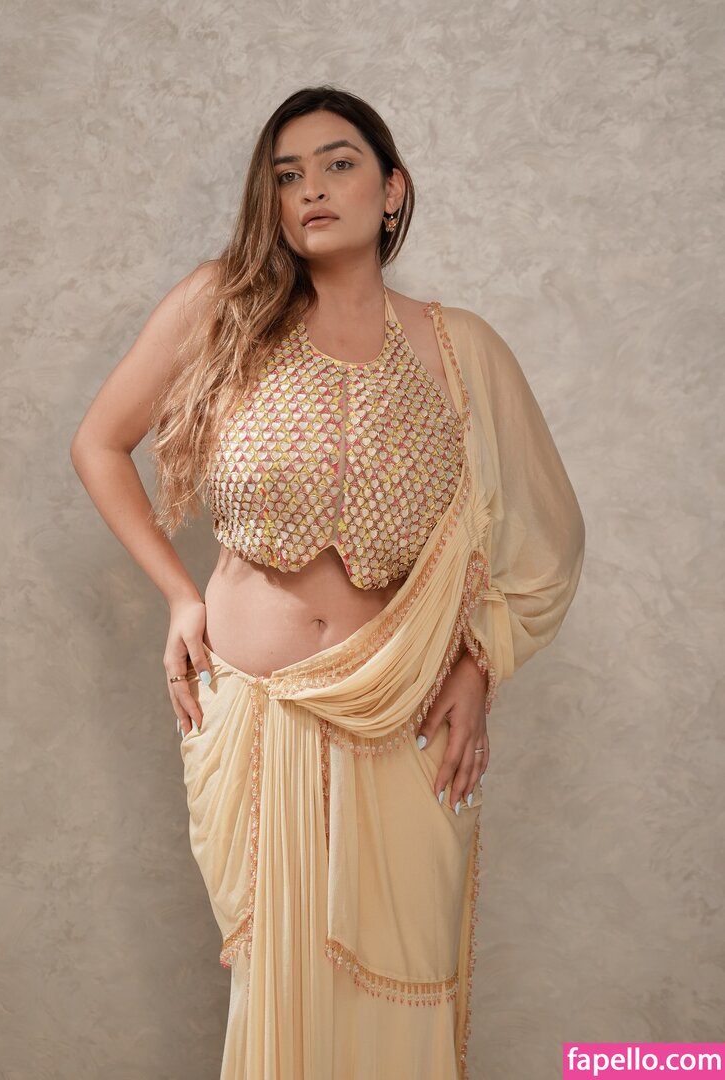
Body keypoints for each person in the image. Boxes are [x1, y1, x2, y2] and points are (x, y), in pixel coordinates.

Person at [70, 84, 585, 1080]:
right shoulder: (221, 309)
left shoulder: (459, 350)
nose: (310, 188)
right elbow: (99, 443)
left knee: (403, 990)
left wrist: (478, 667)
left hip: (403, 721)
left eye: (339, 164)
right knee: (276, 996)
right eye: (287, 174)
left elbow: (545, 540)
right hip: (254, 716)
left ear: (392, 191)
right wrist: (180, 595)